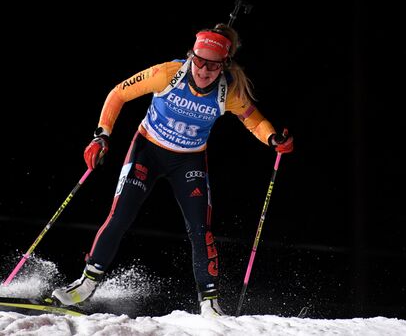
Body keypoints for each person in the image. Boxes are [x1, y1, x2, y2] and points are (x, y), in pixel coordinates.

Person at [51, 22, 294, 317]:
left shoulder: (227, 91)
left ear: (224, 66)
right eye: (199, 63)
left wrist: (273, 139)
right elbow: (119, 93)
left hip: (188, 161)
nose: (204, 72)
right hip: (148, 150)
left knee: (200, 230)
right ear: (190, 56)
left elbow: (252, 119)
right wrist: (101, 135)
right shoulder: (168, 74)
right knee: (120, 215)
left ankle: (210, 304)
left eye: (213, 67)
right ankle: (85, 285)